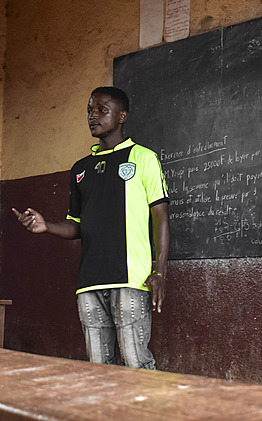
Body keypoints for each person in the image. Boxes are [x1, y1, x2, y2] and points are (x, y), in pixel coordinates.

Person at [13, 86, 169, 370]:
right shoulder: (80, 169)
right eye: (89, 110)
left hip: (131, 280)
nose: (93, 116)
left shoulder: (143, 158)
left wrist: (159, 271)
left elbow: (160, 217)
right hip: (89, 283)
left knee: (137, 365)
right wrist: (46, 226)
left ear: (122, 116)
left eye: (101, 110)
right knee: (98, 369)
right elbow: (76, 227)